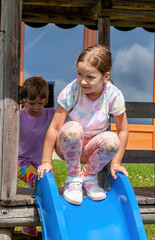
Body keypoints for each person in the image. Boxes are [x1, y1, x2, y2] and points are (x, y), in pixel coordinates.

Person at [37, 45, 129, 206]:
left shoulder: (113, 95)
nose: (83, 81)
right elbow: (55, 127)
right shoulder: (72, 90)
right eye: (80, 74)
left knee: (112, 139)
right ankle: (73, 177)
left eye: (90, 77)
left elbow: (122, 130)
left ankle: (88, 177)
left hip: (92, 150)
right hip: (68, 144)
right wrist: (46, 161)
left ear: (105, 76)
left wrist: (116, 163)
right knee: (74, 129)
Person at [17, 76, 55, 236]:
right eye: (31, 103)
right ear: (24, 99)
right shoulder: (18, 116)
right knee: (36, 180)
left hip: (41, 163)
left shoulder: (50, 114)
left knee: (49, 185)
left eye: (40, 103)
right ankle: (28, 223)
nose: (35, 107)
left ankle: (41, 221)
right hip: (20, 162)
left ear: (46, 100)